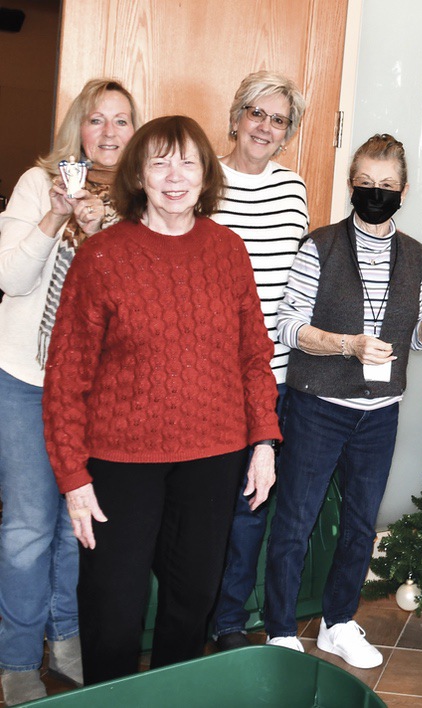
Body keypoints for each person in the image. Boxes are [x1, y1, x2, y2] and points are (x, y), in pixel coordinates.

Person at [41, 115, 281, 685]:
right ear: (139, 176)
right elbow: (66, 375)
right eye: (159, 162)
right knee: (113, 610)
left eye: (188, 162)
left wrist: (265, 440)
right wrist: (74, 478)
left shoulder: (228, 250)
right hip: (120, 464)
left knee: (190, 603)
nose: (174, 177)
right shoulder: (102, 256)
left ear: (205, 175)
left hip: (213, 455)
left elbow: (254, 355)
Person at [263, 134, 422, 669]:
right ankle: (280, 629)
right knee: (296, 520)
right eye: (366, 184)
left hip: (380, 412)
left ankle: (338, 623)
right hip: (318, 406)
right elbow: (286, 324)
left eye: (387, 186)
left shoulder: (414, 254)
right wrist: (344, 344)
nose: (376, 193)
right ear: (351, 185)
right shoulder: (320, 246)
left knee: (359, 522)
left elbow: (406, 335)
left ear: (403, 190)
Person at [0, 78, 139, 704]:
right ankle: (17, 656)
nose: (108, 133)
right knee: (30, 525)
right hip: (26, 379)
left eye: (121, 121)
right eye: (95, 120)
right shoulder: (38, 184)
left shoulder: (141, 200)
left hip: (94, 389)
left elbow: (134, 302)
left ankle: (66, 638)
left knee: (72, 525)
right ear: (76, 129)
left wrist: (104, 233)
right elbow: (9, 277)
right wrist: (58, 213)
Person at [209, 70, 310, 653]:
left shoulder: (292, 188)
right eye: (257, 113)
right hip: (206, 377)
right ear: (237, 115)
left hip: (271, 378)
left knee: (251, 510)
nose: (265, 127)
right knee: (197, 506)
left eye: (278, 120)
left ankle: (227, 622)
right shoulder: (202, 178)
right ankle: (187, 615)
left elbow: (296, 282)